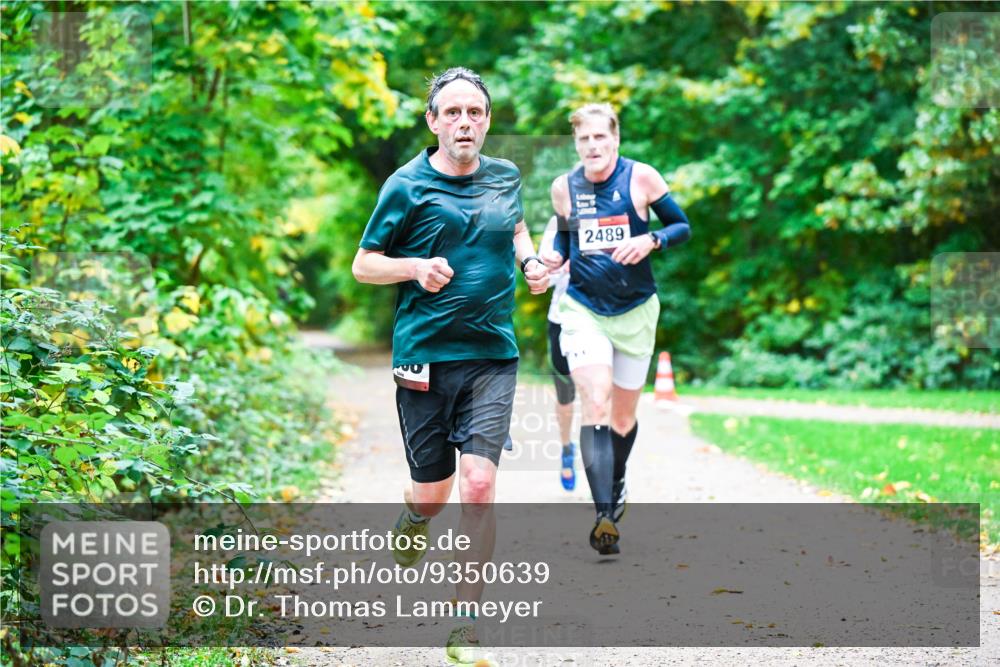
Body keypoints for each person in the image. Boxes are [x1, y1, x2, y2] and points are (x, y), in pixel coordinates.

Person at [352, 67, 548, 665]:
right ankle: (414, 516)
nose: (466, 122)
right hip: (425, 357)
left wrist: (531, 261)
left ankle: (466, 623)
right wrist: (414, 268)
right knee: (433, 494)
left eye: (477, 113)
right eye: (454, 113)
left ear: (487, 121)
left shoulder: (506, 176)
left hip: (492, 353)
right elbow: (364, 265)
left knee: (481, 485)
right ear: (433, 121)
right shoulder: (405, 186)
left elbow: (514, 224)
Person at [540, 103, 691, 555]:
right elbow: (568, 240)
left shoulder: (642, 178)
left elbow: (681, 226)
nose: (592, 146)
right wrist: (554, 259)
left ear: (615, 139)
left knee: (624, 416)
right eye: (583, 139)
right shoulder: (564, 188)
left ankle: (617, 479)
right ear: (576, 144)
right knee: (596, 401)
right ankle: (604, 514)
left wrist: (652, 239)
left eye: (599, 137)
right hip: (583, 308)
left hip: (636, 310)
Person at [539, 215, 577, 491]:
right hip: (562, 320)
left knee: (599, 396)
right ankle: (566, 447)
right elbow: (543, 278)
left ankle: (602, 466)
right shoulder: (558, 224)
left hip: (603, 320)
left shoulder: (613, 218)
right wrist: (562, 267)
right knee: (566, 396)